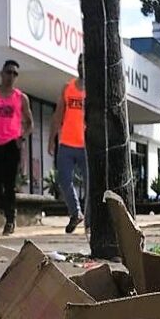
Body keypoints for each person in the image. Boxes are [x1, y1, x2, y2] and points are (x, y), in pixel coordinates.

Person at [0, 59, 33, 235]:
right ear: (2, 73)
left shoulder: (21, 98)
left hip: (11, 144)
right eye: (8, 72)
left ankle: (10, 219)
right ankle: (6, 209)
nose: (11, 76)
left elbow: (30, 123)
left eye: (15, 73)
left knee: (8, 183)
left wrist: (22, 137)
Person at [49, 55, 88, 233]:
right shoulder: (68, 87)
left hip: (87, 146)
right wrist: (52, 139)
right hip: (66, 144)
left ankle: (91, 220)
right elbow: (58, 116)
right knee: (64, 180)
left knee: (90, 185)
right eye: (79, 62)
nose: (81, 66)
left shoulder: (93, 91)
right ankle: (76, 213)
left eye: (85, 62)